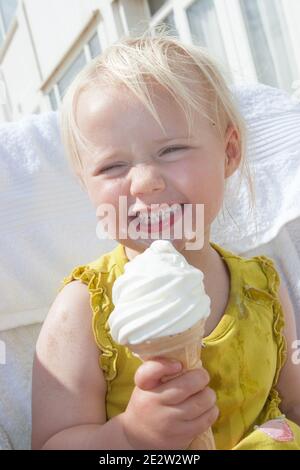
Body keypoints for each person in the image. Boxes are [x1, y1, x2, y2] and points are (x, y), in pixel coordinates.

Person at [31, 33, 300, 450]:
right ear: (85, 184)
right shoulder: (84, 310)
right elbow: (51, 443)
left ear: (229, 153)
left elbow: (294, 402)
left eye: (172, 150)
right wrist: (130, 434)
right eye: (112, 166)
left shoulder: (263, 286)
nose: (145, 183)